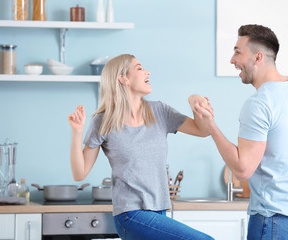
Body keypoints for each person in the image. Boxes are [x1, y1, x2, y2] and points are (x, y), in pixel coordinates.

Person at [193, 24, 288, 239]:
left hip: (273, 218)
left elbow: (242, 170)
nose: (232, 60)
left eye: (237, 52)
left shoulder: (260, 104)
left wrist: (211, 127)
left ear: (258, 57)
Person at [67, 54, 214, 240]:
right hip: (131, 214)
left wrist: (194, 99)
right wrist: (77, 132)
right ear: (123, 78)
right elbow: (79, 173)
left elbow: (203, 131)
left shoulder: (160, 111)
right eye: (139, 68)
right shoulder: (103, 121)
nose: (147, 72)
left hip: (159, 211)